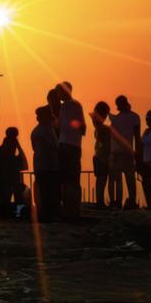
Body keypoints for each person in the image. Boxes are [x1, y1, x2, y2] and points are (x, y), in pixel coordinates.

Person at [56, 82, 86, 219]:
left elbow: (61, 126)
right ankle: (75, 209)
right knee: (74, 179)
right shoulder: (77, 105)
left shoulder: (65, 106)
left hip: (65, 144)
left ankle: (67, 208)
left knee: (64, 178)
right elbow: (83, 127)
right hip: (75, 145)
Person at [109, 95, 143, 209]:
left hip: (117, 152)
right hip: (126, 151)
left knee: (119, 179)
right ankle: (131, 200)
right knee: (129, 178)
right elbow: (137, 137)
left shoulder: (115, 119)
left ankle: (119, 201)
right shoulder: (134, 117)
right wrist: (138, 152)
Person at [31, 106, 61, 222]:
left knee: (44, 191)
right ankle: (48, 215)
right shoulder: (46, 131)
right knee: (49, 192)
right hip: (48, 165)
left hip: (41, 165)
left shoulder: (37, 131)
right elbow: (54, 146)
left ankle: (44, 214)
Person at [0, 126, 30, 217]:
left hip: (6, 180)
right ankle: (16, 211)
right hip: (12, 180)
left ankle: (6, 210)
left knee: (7, 192)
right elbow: (25, 165)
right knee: (14, 192)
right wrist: (18, 147)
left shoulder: (1, 155)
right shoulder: (14, 160)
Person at [90, 101, 112, 207]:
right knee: (102, 180)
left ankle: (100, 201)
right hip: (103, 157)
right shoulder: (104, 129)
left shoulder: (99, 128)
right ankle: (100, 202)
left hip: (98, 156)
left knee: (100, 180)